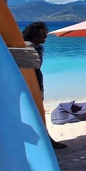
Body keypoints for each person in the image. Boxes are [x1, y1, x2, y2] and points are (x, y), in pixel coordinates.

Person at [22, 21, 67, 150]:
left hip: (37, 81)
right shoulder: (27, 47)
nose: (45, 37)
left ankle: (46, 139)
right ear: (34, 35)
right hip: (29, 82)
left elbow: (37, 67)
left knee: (39, 111)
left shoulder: (39, 48)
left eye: (45, 34)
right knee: (33, 112)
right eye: (42, 34)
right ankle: (44, 141)